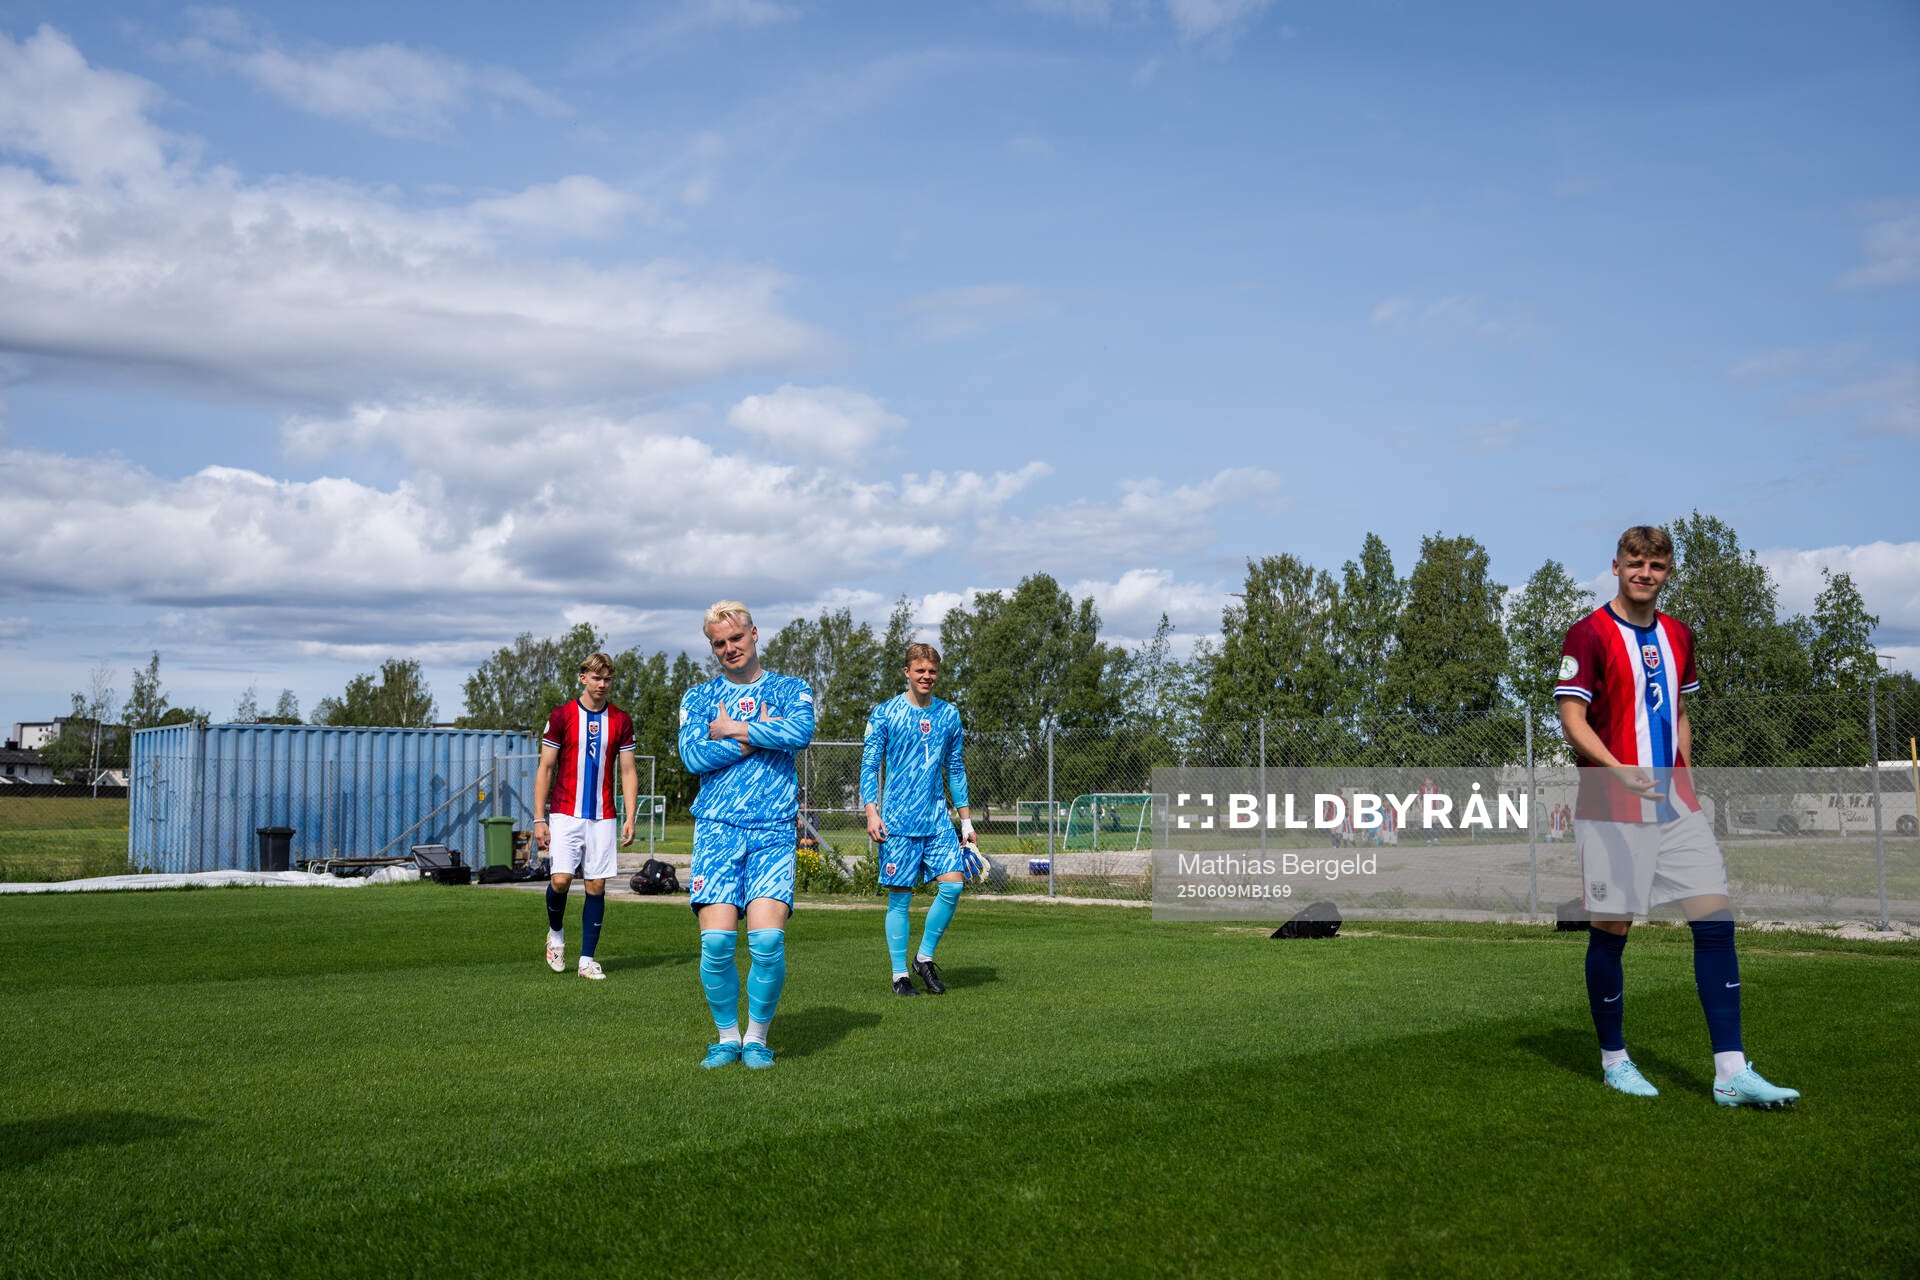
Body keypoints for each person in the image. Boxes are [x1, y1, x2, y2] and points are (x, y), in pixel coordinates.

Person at [1555, 525, 1798, 1108]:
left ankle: (1731, 1073)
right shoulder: (1588, 634)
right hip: (1611, 805)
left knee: (1715, 918)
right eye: (1635, 563)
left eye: (1657, 565)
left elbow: (1681, 710)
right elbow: (1571, 717)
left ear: (1668, 572)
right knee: (1613, 931)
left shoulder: (1680, 635)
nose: (1645, 573)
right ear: (1615, 566)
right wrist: (1619, 770)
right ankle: (1615, 1060)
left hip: (1676, 806)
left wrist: (1685, 775)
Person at [677, 601, 815, 1069]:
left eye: (736, 638)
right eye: (719, 643)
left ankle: (756, 1039)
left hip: (773, 829)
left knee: (767, 943)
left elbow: (801, 730)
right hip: (716, 830)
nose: (729, 648)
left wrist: (735, 730)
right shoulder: (696, 698)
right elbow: (693, 758)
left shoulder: (790, 688)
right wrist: (760, 738)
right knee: (716, 945)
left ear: (755, 634)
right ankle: (726, 1038)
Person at [860, 643, 980, 997]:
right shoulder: (884, 713)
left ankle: (924, 958)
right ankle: (900, 975)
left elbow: (955, 768)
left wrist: (966, 822)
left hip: (936, 818)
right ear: (907, 673)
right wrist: (871, 810)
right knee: (900, 899)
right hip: (897, 821)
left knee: (954, 885)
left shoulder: (949, 715)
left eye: (932, 672)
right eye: (920, 671)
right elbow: (870, 765)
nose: (926, 677)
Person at [535, 653, 638, 981]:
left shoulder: (621, 720)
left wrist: (631, 815)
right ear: (583, 678)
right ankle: (555, 934)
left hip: (603, 814)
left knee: (596, 885)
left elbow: (628, 769)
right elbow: (546, 767)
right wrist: (539, 818)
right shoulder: (562, 715)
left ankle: (586, 960)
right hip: (565, 811)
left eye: (607, 679)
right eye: (596, 678)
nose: (602, 684)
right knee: (561, 880)